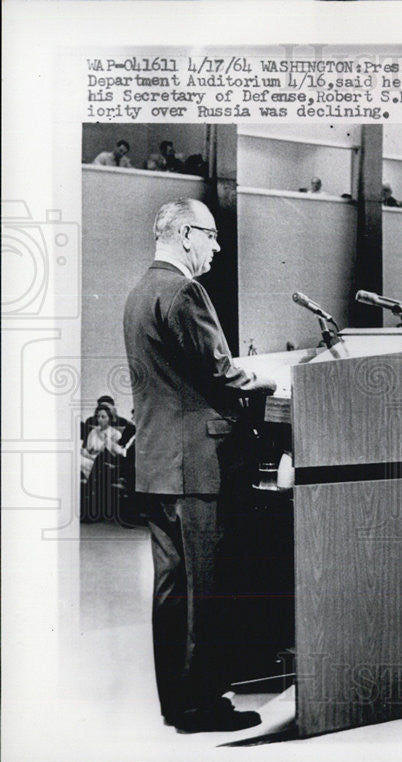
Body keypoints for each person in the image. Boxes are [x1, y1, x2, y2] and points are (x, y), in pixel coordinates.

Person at [123, 199, 277, 733]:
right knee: (203, 591)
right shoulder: (184, 290)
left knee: (172, 590)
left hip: (159, 464)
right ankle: (202, 706)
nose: (216, 246)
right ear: (186, 234)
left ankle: (177, 701)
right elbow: (221, 374)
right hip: (194, 467)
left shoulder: (141, 291)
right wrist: (267, 379)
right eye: (211, 236)